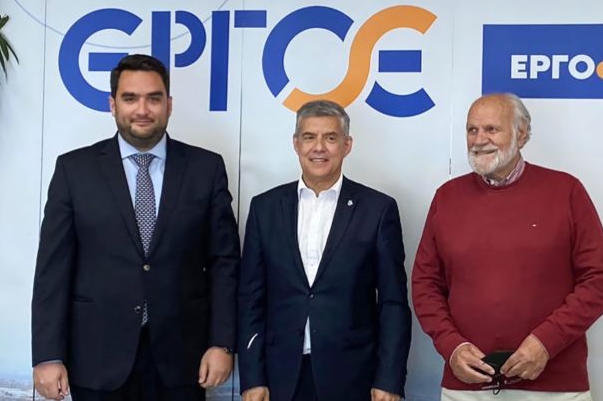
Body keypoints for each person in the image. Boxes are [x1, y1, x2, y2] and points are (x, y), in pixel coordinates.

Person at [31, 54, 240, 401]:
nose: (142, 109)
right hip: (96, 359)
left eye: (153, 98)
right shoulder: (74, 171)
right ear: (113, 104)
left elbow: (224, 263)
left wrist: (222, 342)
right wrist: (48, 355)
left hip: (182, 360)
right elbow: (52, 271)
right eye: (130, 98)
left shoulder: (206, 169)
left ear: (169, 104)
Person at [412, 93, 603, 401]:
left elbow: (600, 281)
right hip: (467, 387)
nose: (479, 140)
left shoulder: (566, 191)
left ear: (521, 135)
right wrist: (451, 346)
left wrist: (545, 343)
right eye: (472, 130)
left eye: (491, 129)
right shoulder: (447, 197)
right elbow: (425, 284)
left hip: (555, 389)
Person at [238, 100, 411, 401]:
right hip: (280, 378)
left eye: (330, 138)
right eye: (309, 137)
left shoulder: (378, 210)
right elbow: (251, 299)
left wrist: (389, 379)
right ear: (296, 143)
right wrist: (252, 377)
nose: (319, 147)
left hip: (353, 377)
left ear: (347, 145)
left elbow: (393, 303)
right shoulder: (265, 208)